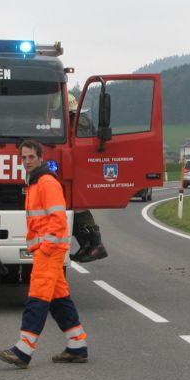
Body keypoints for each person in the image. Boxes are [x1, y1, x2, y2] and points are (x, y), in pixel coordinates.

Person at [0, 140, 88, 368]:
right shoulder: (35, 182)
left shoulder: (46, 182)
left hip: (50, 250)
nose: (27, 162)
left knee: (37, 297)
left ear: (40, 158)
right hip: (45, 249)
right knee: (58, 299)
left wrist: (45, 248)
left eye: (31, 158)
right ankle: (77, 346)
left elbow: (58, 221)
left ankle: (23, 350)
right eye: (23, 158)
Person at [67, 94, 107, 263]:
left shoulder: (79, 124)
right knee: (74, 208)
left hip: (80, 170)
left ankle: (96, 246)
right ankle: (86, 245)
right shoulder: (78, 122)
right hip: (77, 169)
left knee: (79, 207)